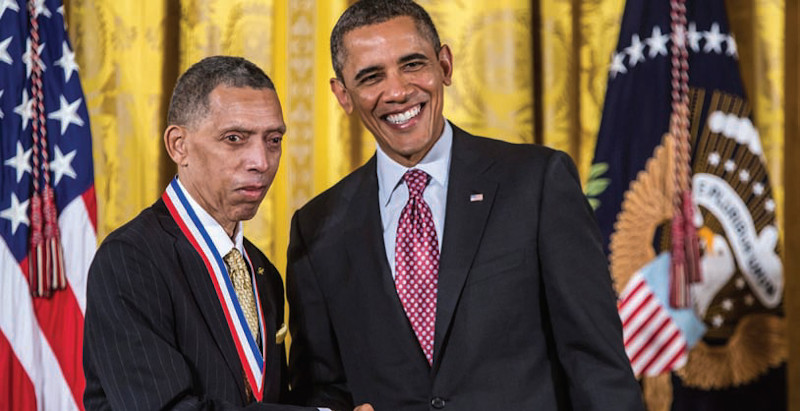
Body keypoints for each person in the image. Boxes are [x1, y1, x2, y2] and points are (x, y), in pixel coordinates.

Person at [286, 1, 645, 410]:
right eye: (371, 77)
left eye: (413, 64)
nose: (398, 91)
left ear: (445, 65)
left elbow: (597, 366)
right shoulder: (316, 229)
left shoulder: (537, 183)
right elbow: (320, 390)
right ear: (343, 95)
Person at [83, 56, 315, 410]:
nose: (262, 161)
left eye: (273, 140)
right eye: (235, 138)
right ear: (179, 145)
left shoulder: (263, 271)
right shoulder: (130, 259)